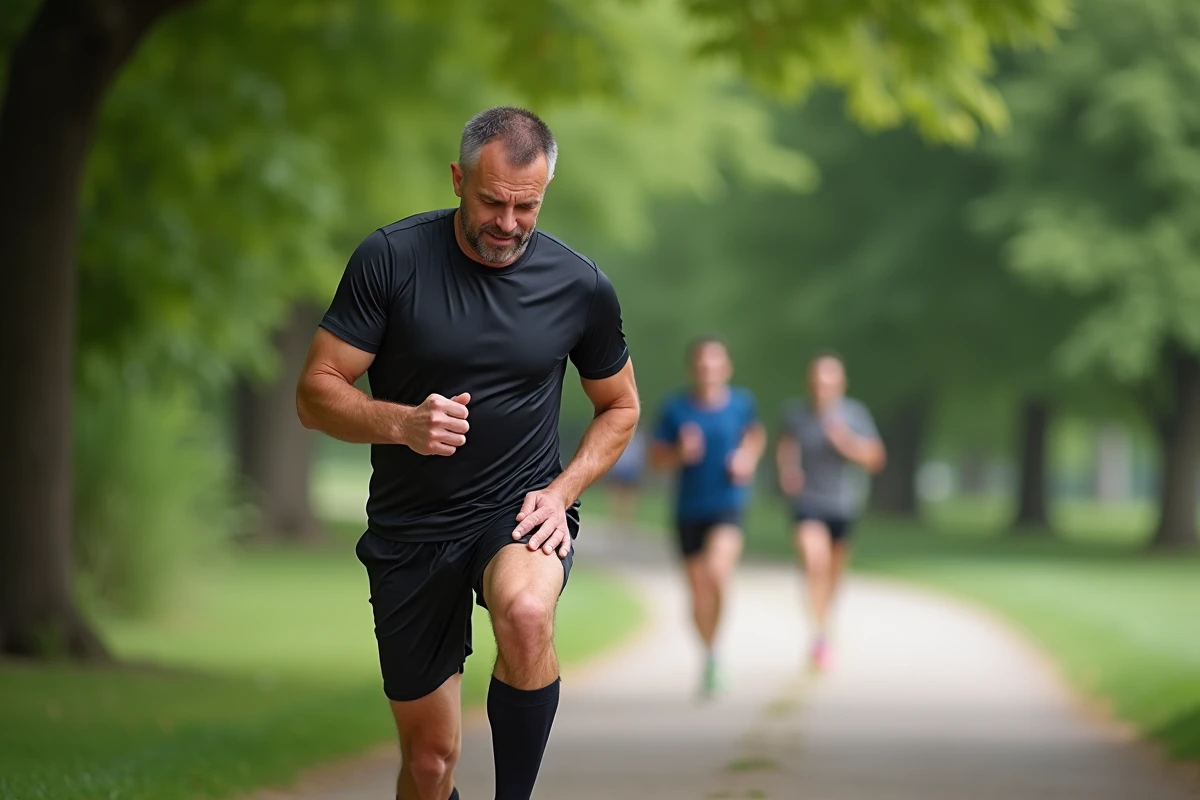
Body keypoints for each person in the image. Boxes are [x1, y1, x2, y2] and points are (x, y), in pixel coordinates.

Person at [296, 106, 639, 800]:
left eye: (527, 206)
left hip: (519, 510)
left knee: (526, 611)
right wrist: (401, 425)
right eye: (491, 202)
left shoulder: (580, 286)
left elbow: (621, 406)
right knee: (430, 763)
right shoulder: (391, 260)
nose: (508, 223)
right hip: (411, 526)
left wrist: (563, 490)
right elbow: (315, 393)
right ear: (458, 179)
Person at [650, 337, 765, 697]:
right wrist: (680, 452)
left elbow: (755, 436)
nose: (708, 371)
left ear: (727, 368)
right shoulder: (675, 409)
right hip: (688, 510)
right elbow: (656, 459)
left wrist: (746, 458)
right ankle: (710, 655)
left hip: (728, 504)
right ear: (692, 369)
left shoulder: (742, 404)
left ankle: (715, 651)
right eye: (702, 365)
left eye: (715, 365)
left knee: (717, 572)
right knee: (698, 593)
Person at [775, 351, 885, 672]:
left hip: (843, 505)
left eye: (828, 381)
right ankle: (819, 636)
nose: (821, 387)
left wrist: (847, 443)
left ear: (841, 384)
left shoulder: (854, 414)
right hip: (807, 501)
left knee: (833, 577)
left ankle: (824, 627)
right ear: (808, 383)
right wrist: (788, 470)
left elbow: (876, 458)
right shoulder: (795, 414)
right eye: (816, 381)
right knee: (814, 561)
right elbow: (785, 447)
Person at [605, 426, 646, 528]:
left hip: (631, 468)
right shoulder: (621, 435)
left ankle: (627, 518)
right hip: (621, 467)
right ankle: (617, 517)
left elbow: (639, 455)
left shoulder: (638, 438)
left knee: (629, 494)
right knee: (618, 492)